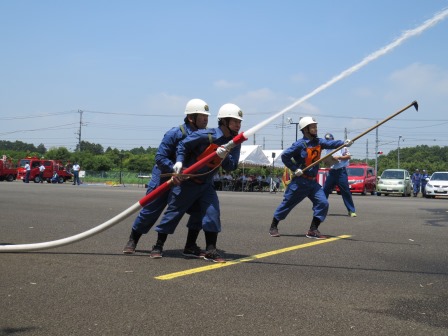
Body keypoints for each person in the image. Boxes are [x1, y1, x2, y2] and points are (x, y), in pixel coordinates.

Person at [149, 103, 243, 262]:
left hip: (206, 185)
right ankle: (158, 245)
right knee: (173, 213)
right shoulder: (206, 134)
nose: (238, 125)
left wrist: (224, 154)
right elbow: (182, 145)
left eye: (239, 121)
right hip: (188, 182)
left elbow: (232, 167)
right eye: (234, 121)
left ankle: (210, 250)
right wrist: (178, 162)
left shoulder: (235, 142)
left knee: (212, 213)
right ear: (224, 121)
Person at [122, 98, 210, 255]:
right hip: (164, 177)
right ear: (191, 118)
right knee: (150, 210)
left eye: (207, 116)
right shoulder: (174, 134)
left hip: (184, 182)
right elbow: (160, 157)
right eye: (202, 116)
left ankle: (190, 245)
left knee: (199, 209)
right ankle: (133, 240)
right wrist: (175, 169)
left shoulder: (205, 136)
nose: (206, 119)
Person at [269, 116, 353, 239]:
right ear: (305, 130)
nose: (316, 128)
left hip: (313, 183)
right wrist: (294, 168)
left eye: (315, 126)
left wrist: (343, 143)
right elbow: (285, 156)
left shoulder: (319, 142)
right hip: (300, 182)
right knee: (287, 204)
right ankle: (273, 226)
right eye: (313, 127)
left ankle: (313, 230)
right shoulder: (299, 144)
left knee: (323, 203)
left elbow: (330, 143)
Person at [322, 133, 357, 217]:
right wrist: (327, 162)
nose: (329, 143)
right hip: (332, 172)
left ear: (333, 139)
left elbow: (348, 156)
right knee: (324, 191)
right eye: (327, 141)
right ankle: (321, 209)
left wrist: (339, 157)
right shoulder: (327, 149)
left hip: (341, 172)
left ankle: (351, 210)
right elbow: (327, 162)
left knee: (345, 191)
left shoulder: (341, 146)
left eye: (330, 141)